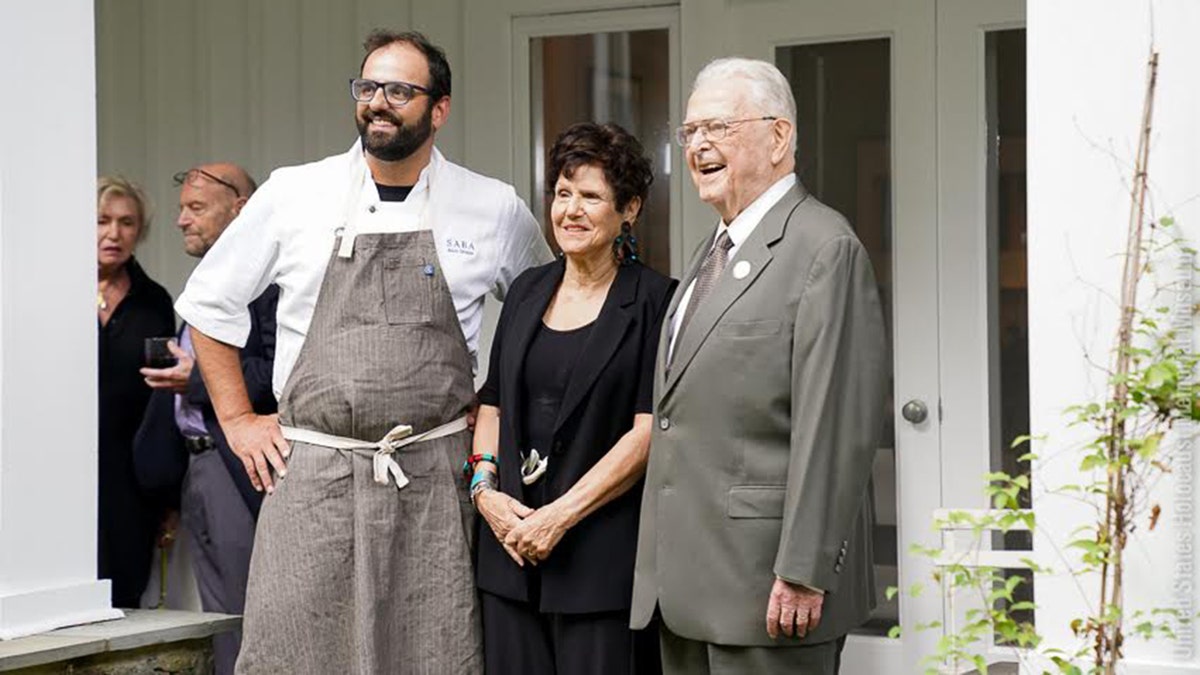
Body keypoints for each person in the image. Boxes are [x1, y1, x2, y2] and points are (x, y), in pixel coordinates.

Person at [174, 29, 552, 673]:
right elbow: (209, 306)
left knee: (432, 651)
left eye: (400, 90)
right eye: (368, 87)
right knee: (294, 651)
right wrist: (238, 421)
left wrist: (492, 421)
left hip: (434, 480)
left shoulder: (492, 207)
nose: (379, 102)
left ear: (439, 109)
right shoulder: (296, 193)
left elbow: (542, 320)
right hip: (313, 475)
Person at [630, 58, 889, 674]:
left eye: (717, 127)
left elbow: (836, 426)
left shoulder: (824, 247)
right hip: (689, 589)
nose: (697, 146)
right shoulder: (715, 248)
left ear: (778, 136)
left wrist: (804, 568)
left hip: (769, 593)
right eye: (689, 131)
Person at [471, 122, 674, 675]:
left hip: (599, 562)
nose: (571, 211)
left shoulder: (657, 302)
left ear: (628, 209)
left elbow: (648, 431)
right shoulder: (527, 290)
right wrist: (484, 490)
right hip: (509, 551)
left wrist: (557, 518)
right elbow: (491, 402)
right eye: (563, 194)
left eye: (591, 196)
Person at [132, 163, 277, 675]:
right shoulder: (209, 281)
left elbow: (279, 372)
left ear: (239, 208)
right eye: (181, 209)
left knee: (244, 616)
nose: (180, 221)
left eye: (196, 209)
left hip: (237, 466)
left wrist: (195, 378)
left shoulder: (265, 280)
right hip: (196, 467)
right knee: (217, 615)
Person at [96, 176, 176, 608]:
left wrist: (168, 495)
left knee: (125, 598)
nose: (114, 233)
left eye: (127, 223)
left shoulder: (154, 301)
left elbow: (163, 401)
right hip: (59, 474)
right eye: (101, 221)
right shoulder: (50, 293)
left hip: (133, 480)